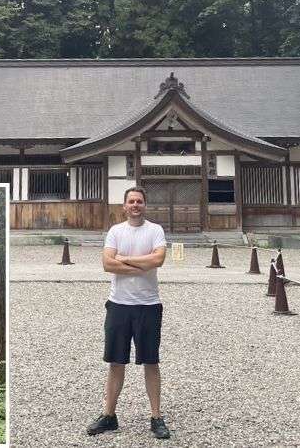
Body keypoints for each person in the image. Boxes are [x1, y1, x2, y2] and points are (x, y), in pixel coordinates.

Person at [86, 186, 170, 440]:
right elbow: (106, 264)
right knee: (115, 361)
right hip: (119, 304)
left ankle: (156, 417)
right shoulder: (115, 231)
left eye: (139, 201)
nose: (135, 205)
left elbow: (158, 260)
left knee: (151, 361)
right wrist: (140, 263)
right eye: (131, 201)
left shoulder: (155, 230)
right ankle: (109, 415)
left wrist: (124, 260)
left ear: (145, 205)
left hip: (148, 305)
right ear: (124, 206)